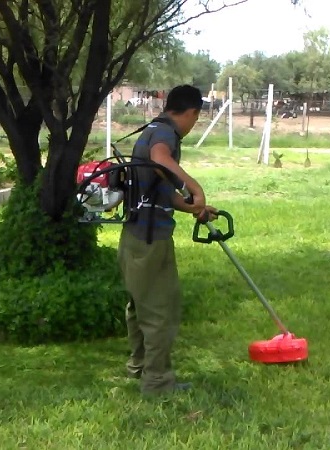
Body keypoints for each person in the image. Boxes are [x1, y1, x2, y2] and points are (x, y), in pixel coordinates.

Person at [118, 84, 218, 396]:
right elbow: (160, 160)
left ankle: (140, 366)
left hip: (135, 233)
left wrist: (190, 205)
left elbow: (156, 182)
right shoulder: (166, 135)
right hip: (151, 237)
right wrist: (194, 185)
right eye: (195, 118)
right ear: (191, 113)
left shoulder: (152, 129)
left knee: (140, 305)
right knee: (161, 309)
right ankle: (157, 382)